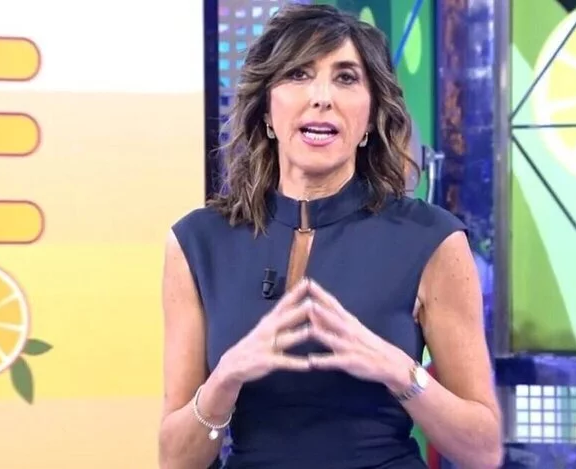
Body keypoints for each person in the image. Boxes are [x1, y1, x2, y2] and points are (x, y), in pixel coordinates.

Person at [158, 4, 502, 469]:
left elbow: (482, 450)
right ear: (266, 111)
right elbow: (176, 460)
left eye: (345, 78)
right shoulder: (198, 243)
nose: (322, 97)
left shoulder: (431, 239)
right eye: (298, 74)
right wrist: (226, 378)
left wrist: (399, 371)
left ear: (370, 118)